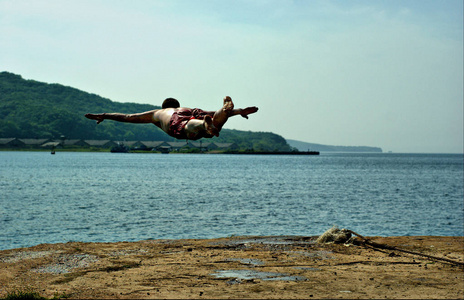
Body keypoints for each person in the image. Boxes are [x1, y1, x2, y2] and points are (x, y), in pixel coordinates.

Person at [85, 96, 258, 140]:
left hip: (181, 124)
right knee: (215, 120)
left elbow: (129, 117)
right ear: (177, 103)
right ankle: (223, 112)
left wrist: (105, 115)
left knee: (187, 126)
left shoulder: (159, 113)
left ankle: (204, 125)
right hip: (194, 113)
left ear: (164, 107)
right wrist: (239, 111)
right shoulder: (184, 108)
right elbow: (210, 114)